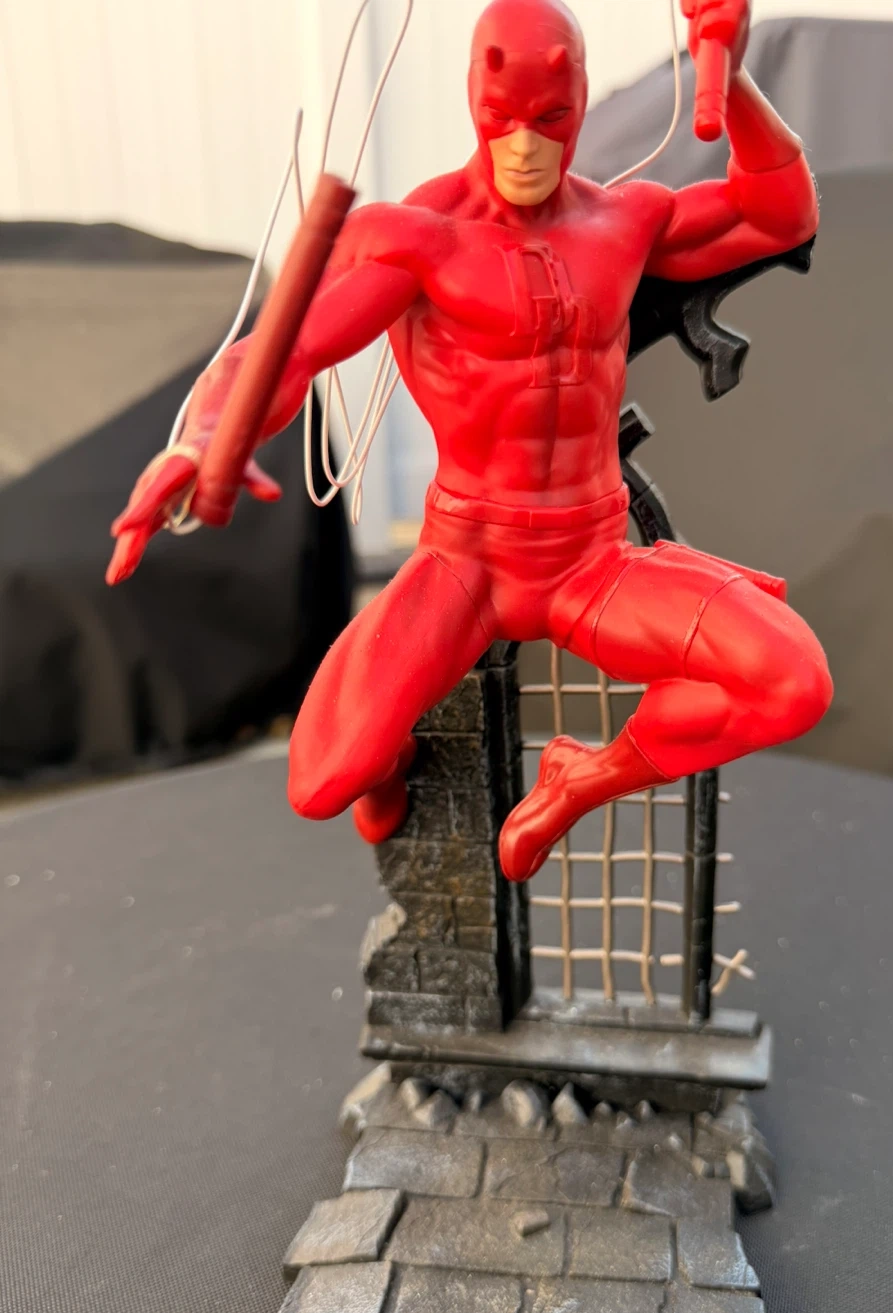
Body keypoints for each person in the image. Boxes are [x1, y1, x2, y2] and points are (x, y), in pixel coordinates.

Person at [107, 0, 832, 883]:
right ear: (473, 105)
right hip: (468, 559)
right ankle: (391, 763)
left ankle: (579, 780)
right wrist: (199, 440)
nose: (524, 146)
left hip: (591, 557)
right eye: (503, 119)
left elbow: (780, 212)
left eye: (550, 119)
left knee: (794, 680)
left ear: (579, 103)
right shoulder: (416, 239)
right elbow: (283, 352)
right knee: (323, 781)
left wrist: (737, 76)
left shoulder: (625, 221)